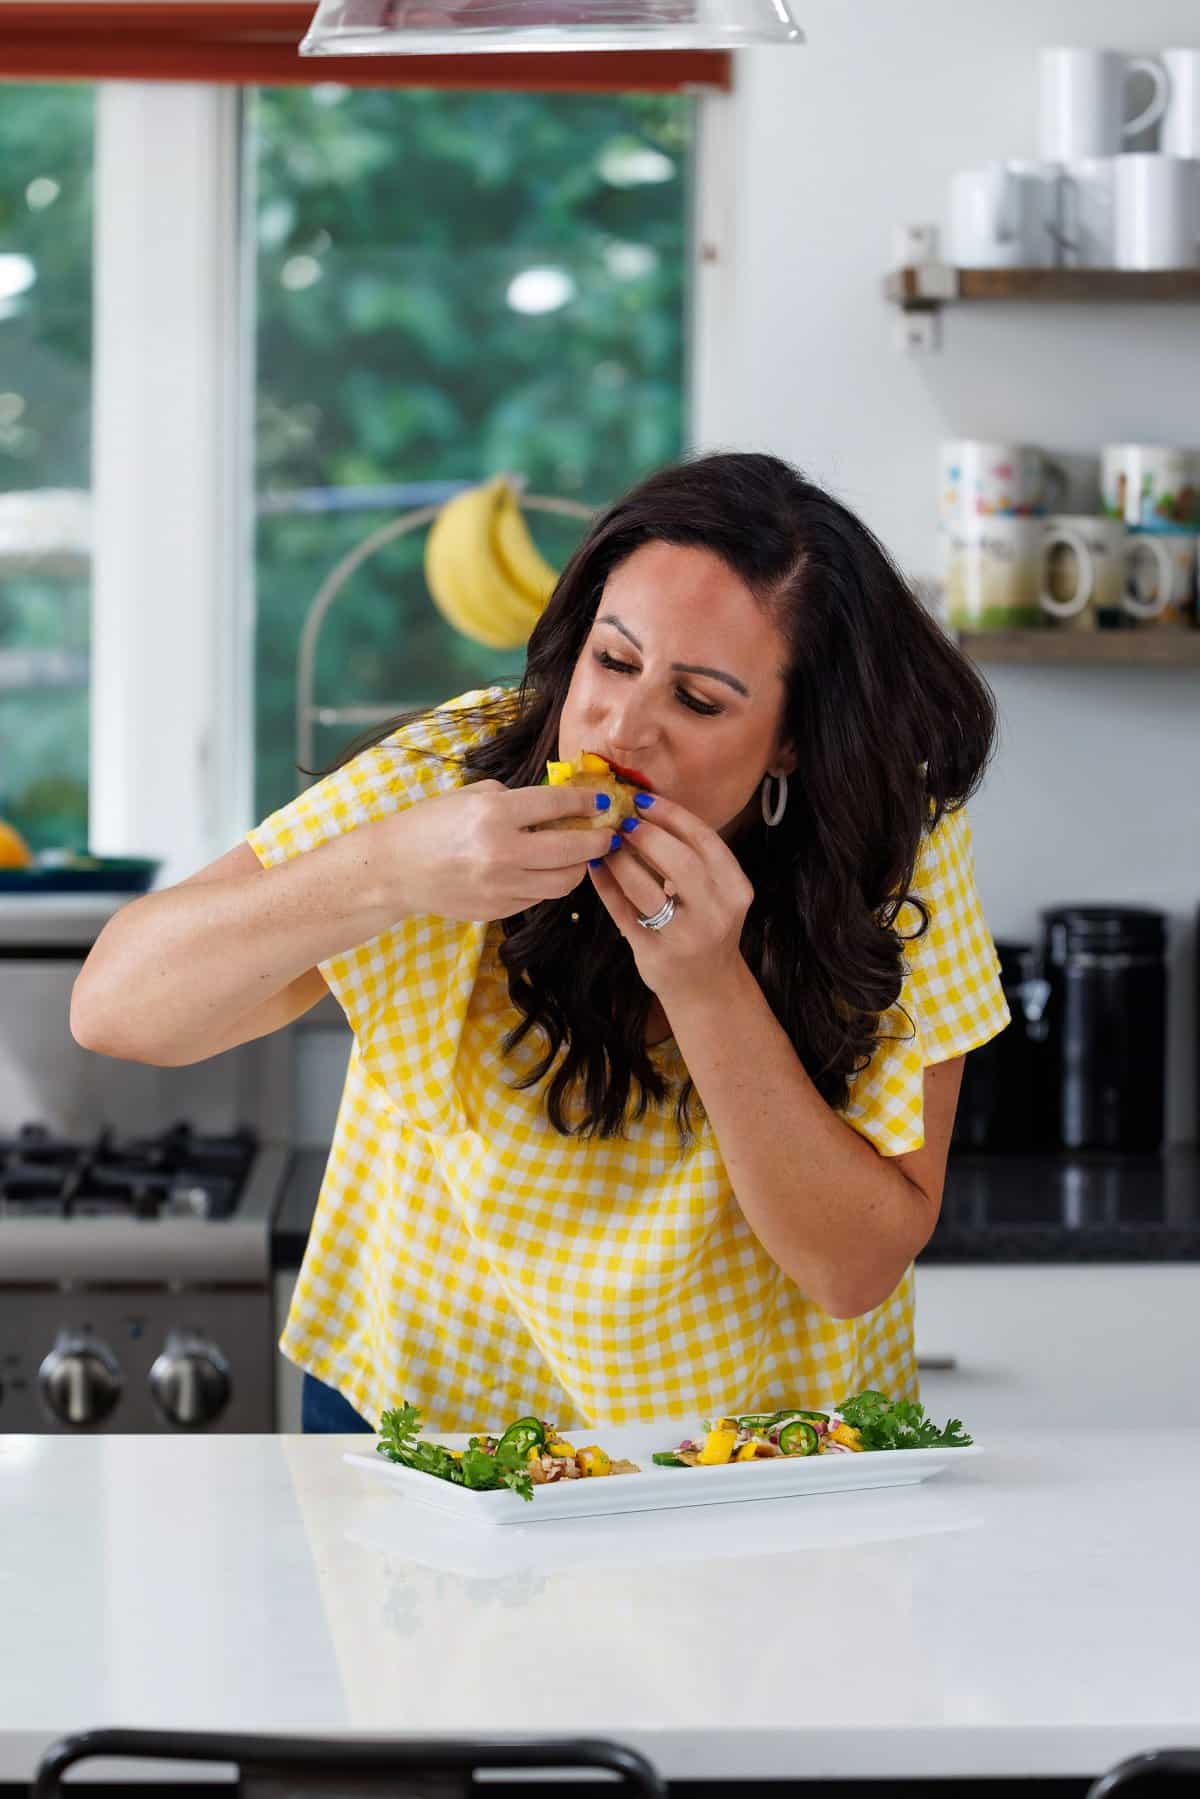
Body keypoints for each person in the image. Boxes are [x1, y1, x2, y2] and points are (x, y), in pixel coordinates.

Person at [71, 450, 1009, 1436]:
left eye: (697, 701)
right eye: (613, 659)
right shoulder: (454, 774)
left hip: (754, 1454)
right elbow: (114, 1008)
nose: (622, 723)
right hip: (427, 1432)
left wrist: (704, 979)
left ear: (794, 740)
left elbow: (853, 1266)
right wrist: (388, 869)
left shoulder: (897, 848)